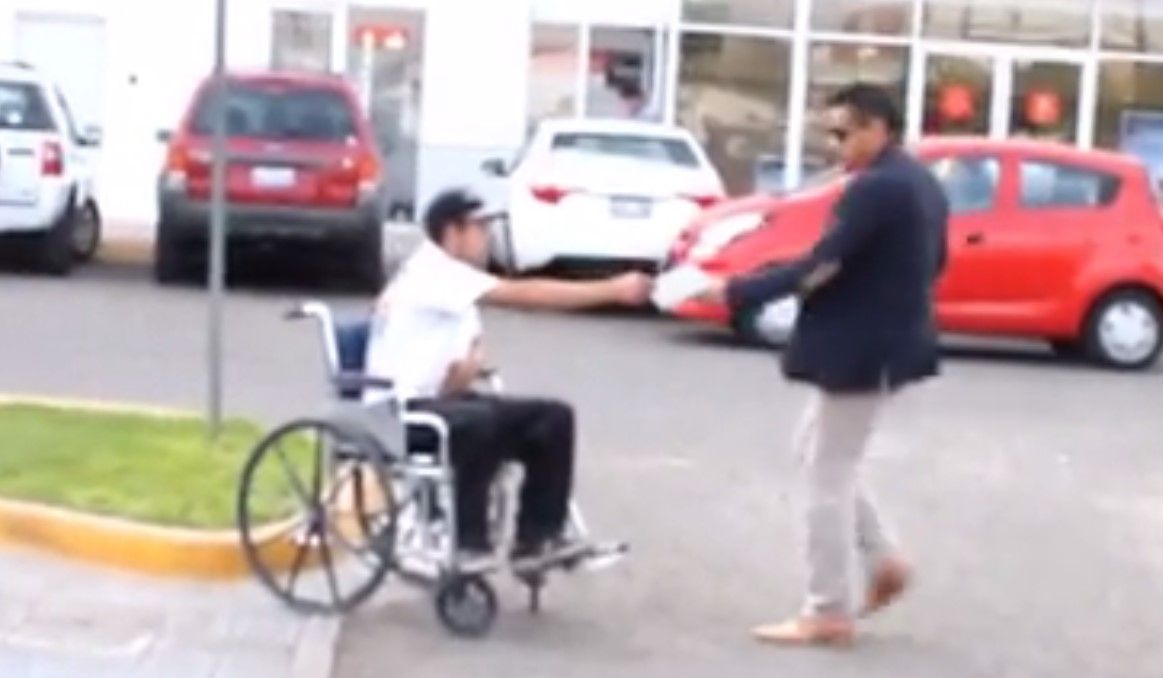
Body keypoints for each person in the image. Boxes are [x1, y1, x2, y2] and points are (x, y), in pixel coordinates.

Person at [697, 83, 950, 645]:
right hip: (887, 342)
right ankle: (883, 560)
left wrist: (736, 290)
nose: (835, 146)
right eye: (830, 133)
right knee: (816, 452)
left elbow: (821, 265)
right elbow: (937, 261)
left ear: (878, 128)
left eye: (843, 133)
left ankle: (827, 608)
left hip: (860, 348)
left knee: (825, 475)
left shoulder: (877, 188)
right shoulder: (921, 182)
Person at [364, 188, 651, 572]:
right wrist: (612, 290)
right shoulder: (433, 270)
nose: (487, 238)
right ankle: (469, 543)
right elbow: (524, 294)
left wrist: (468, 366)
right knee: (478, 424)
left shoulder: (458, 284)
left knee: (553, 418)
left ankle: (538, 538)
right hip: (399, 412)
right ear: (452, 232)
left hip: (441, 401)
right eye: (480, 228)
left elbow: (469, 356)